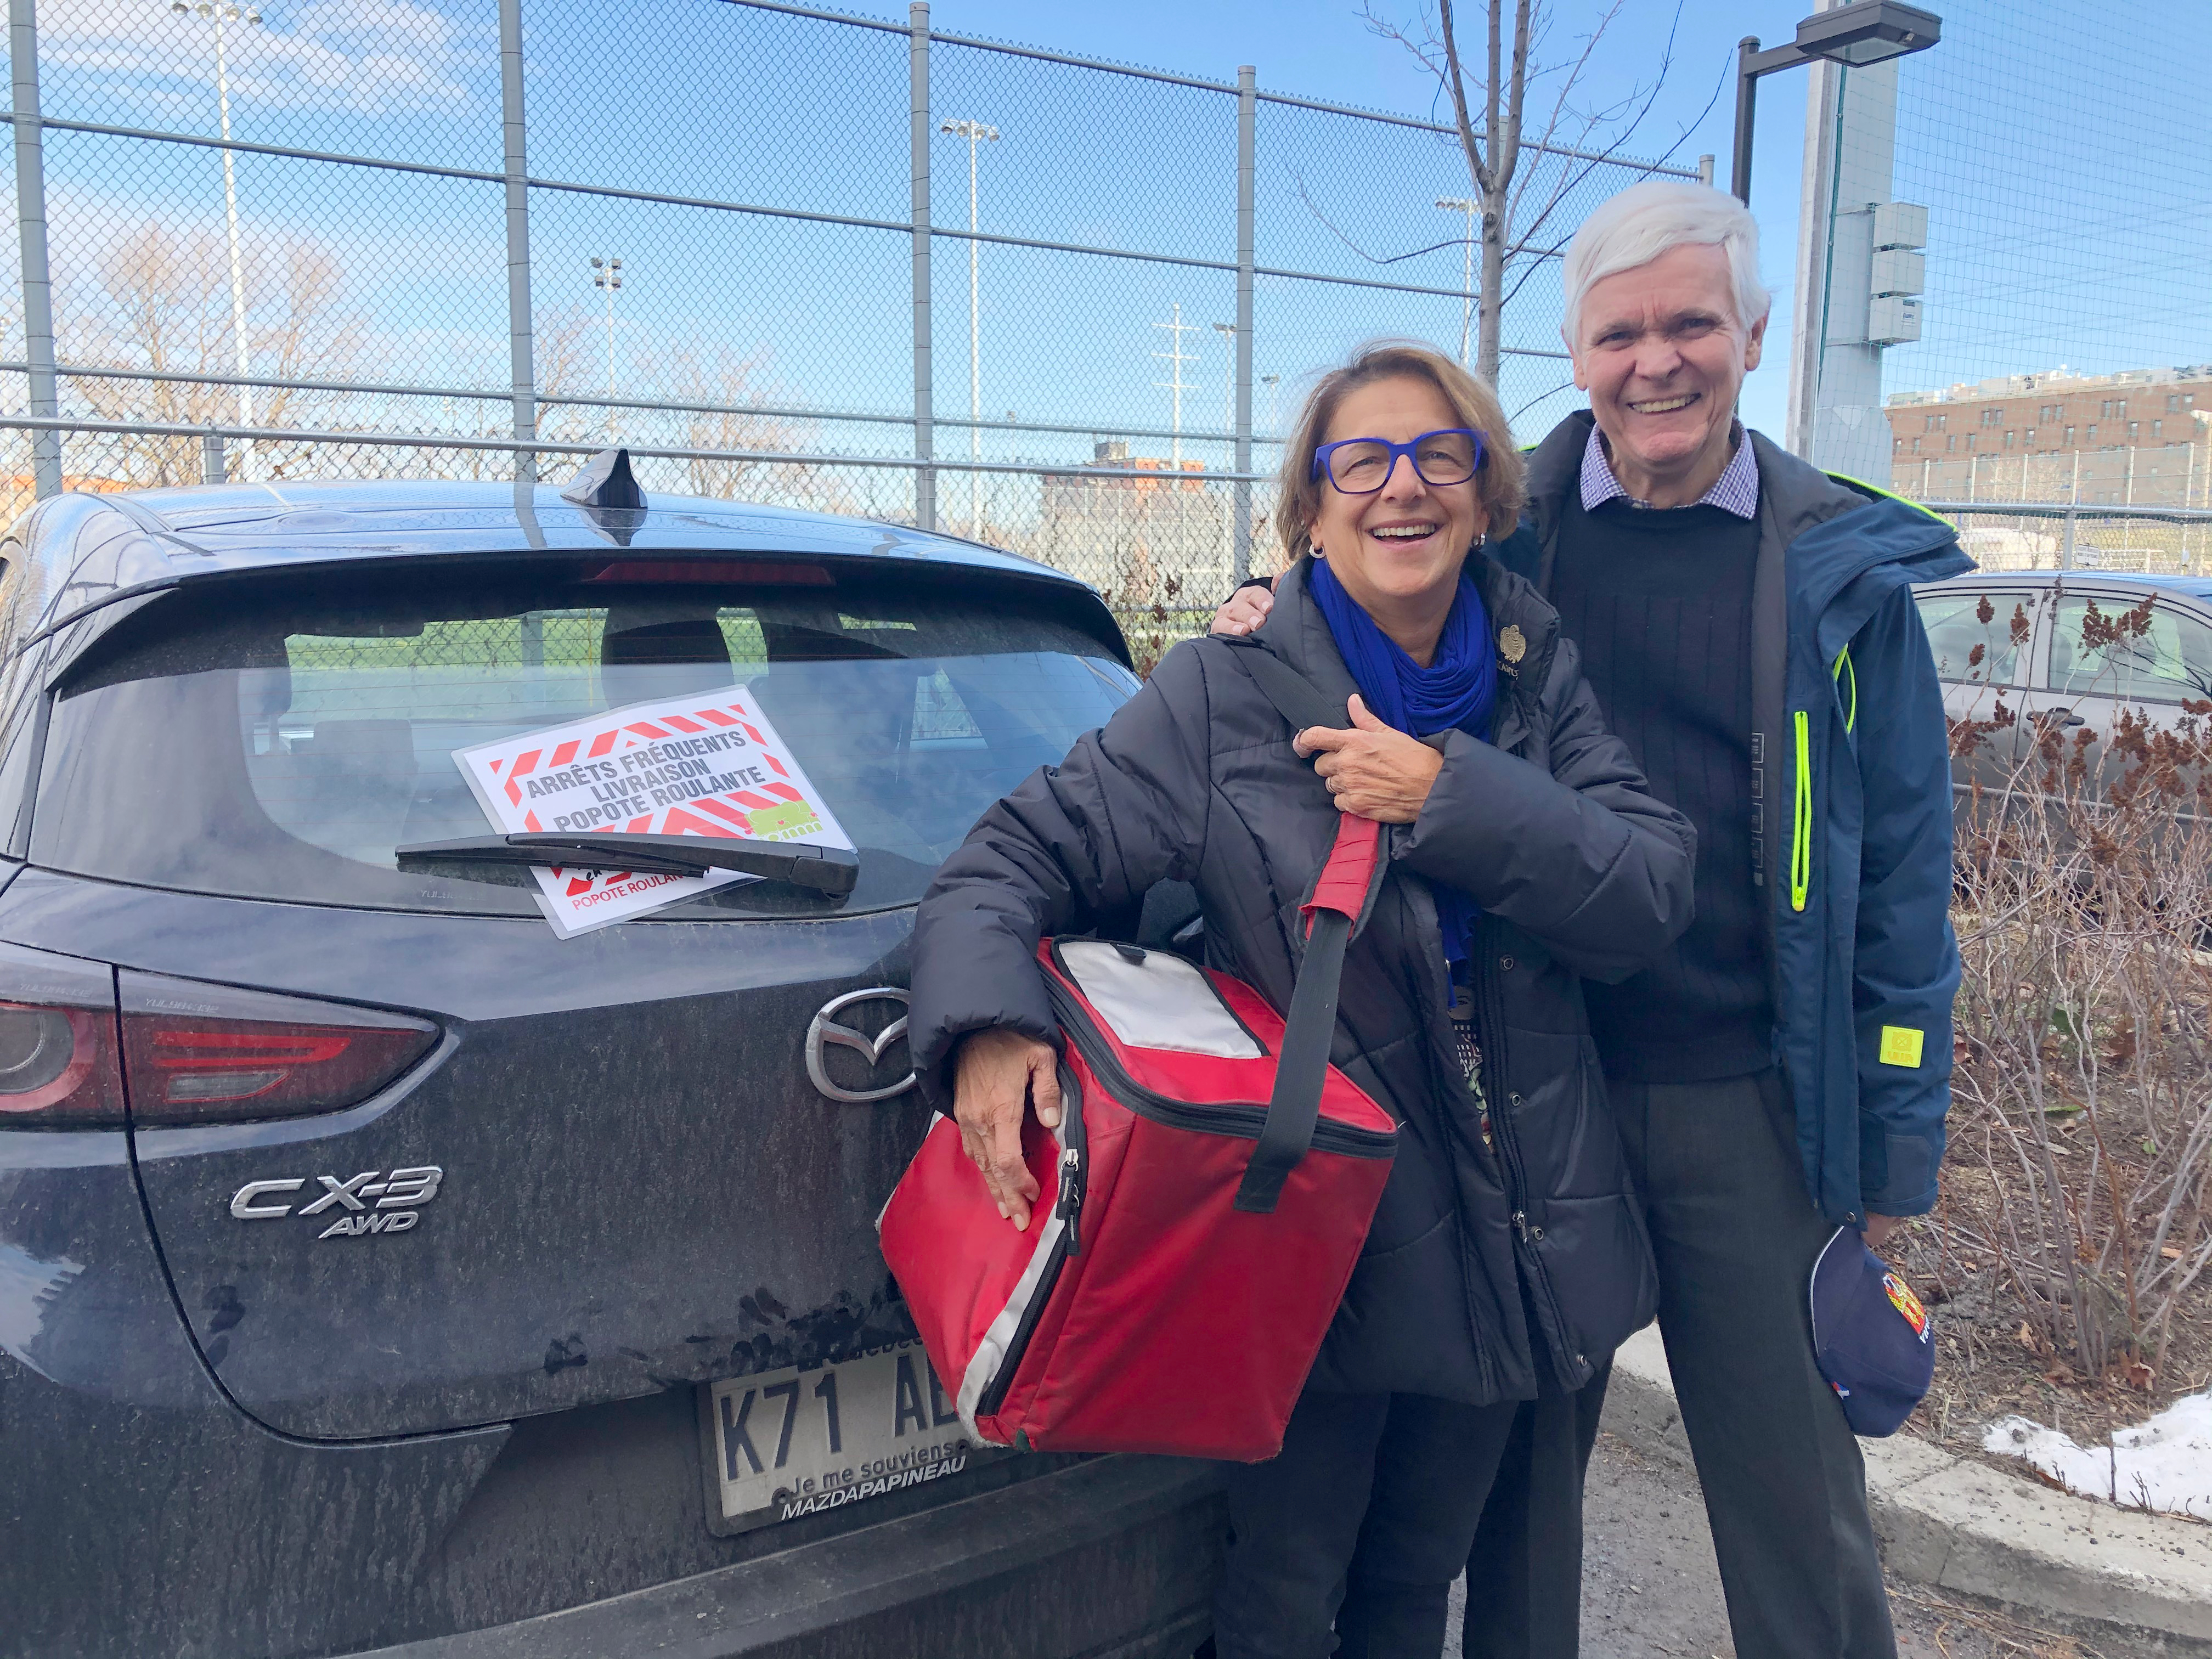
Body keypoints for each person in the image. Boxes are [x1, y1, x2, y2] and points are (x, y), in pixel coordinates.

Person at [1213, 182, 1969, 1659]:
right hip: (1524, 1084)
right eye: (1621, 333)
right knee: (1516, 1514)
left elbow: (1902, 889)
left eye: (1692, 322)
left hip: (1740, 1100)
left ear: (1753, 335)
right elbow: (1366, 574)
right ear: (1578, 353)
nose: (1657, 362)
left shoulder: (1837, 582)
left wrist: (1893, 1143)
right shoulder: (1515, 533)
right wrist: (1270, 604)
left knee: (1796, 1503)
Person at [908, 341, 1694, 1659]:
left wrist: (1443, 798)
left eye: (1439, 456)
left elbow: (1649, 894)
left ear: (1486, 493)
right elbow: (1010, 857)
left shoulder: (1532, 675)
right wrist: (989, 1026)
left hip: (1513, 1233)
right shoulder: (1220, 696)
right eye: (1363, 460)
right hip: (1318, 1239)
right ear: (1311, 508)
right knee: (1283, 1598)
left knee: (1413, 1589)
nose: (1405, 487)